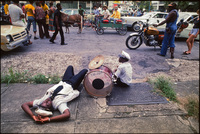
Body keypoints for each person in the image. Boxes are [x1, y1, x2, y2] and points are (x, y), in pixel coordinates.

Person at [21, 65, 88, 124]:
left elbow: (24, 105)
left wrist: (33, 116)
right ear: (49, 108)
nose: (46, 100)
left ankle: (75, 78)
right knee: (85, 70)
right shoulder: (58, 104)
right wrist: (49, 119)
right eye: (47, 104)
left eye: (44, 102)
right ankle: (78, 81)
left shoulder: (41, 102)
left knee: (70, 67)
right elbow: (67, 114)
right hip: (72, 83)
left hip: (64, 81)